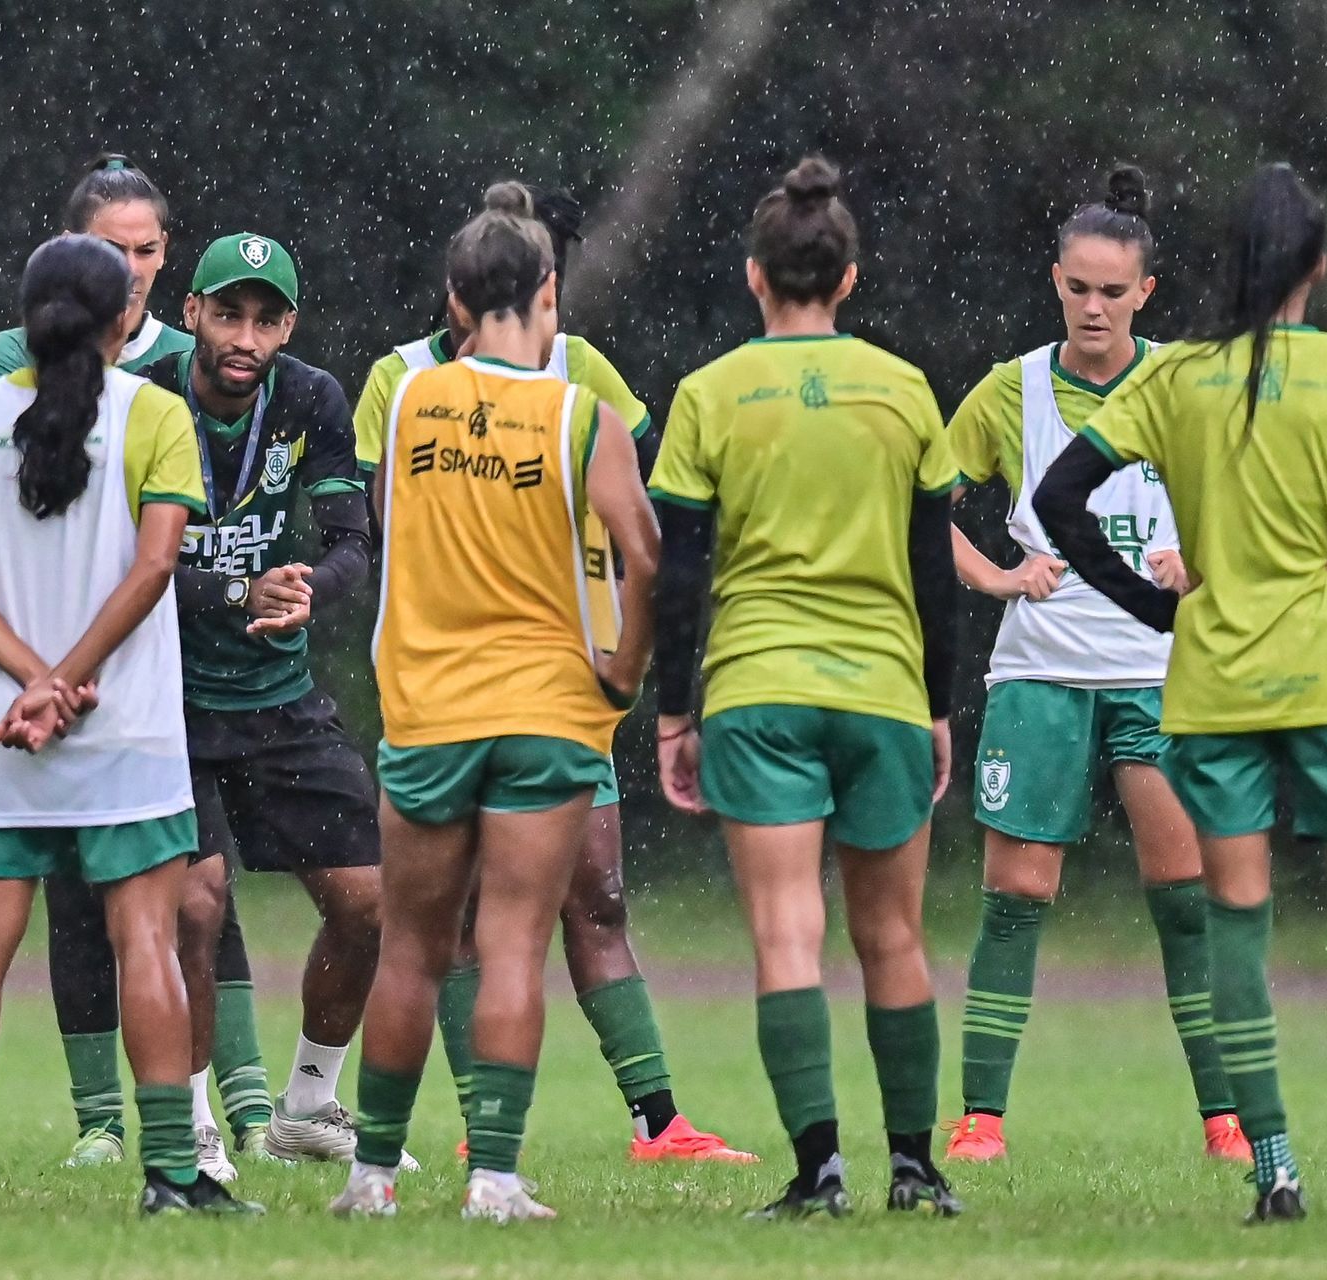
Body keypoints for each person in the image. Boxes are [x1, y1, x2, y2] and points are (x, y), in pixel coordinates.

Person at [1032, 162, 1327, 1225]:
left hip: (1216, 693)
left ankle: (1276, 1175)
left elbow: (1059, 497)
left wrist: (1158, 610)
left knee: (1236, 929)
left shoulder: (1178, 380)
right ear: (1319, 264)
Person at [353, 185, 748, 1164]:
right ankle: (480, 1140)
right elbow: (382, 528)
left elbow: (654, 490)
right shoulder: (396, 383)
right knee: (464, 934)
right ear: (543, 287)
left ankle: (656, 1119)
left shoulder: (579, 380)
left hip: (536, 692)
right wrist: (639, 664)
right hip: (511, 690)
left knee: (592, 896)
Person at [330, 182, 659, 1221]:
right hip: (546, 711)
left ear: (456, 299)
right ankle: (496, 1179)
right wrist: (624, 670)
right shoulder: (581, 416)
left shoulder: (410, 398)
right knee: (516, 940)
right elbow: (646, 551)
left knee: (412, 948)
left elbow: (386, 526)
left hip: (429, 710)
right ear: (548, 293)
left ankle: (372, 1175)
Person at [649, 157, 963, 1220]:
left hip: (759, 687)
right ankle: (916, 1169)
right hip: (882, 687)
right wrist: (937, 706)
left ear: (754, 277)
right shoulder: (906, 390)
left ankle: (819, 1171)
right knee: (896, 938)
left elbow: (680, 572)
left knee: (789, 933)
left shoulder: (710, 394)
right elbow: (935, 571)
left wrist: (674, 713)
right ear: (850, 277)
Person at [0, 234, 256, 1216]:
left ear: (28, 317)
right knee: (145, 938)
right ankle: (169, 1174)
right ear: (123, 321)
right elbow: (154, 568)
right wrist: (69, 678)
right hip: (126, 724)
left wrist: (28, 680)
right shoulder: (154, 412)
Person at [941, 166, 1248, 1165]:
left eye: (1115, 291)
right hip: (1041, 673)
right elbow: (922, 509)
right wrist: (997, 574)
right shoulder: (1013, 389)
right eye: (1079, 286)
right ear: (1056, 281)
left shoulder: (1186, 386)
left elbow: (1250, 516)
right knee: (1017, 892)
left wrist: (1196, 563)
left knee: (1187, 891)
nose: (1095, 306)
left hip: (1161, 673)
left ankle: (1225, 1119)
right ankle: (980, 1118)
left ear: (1146, 293)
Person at [127, 231, 409, 1168]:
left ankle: (306, 1109)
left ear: (288, 325)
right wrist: (231, 591)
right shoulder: (144, 400)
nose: (245, 336)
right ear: (192, 313)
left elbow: (351, 545)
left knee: (370, 902)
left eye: (266, 318)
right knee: (198, 908)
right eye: (228, 314)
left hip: (278, 701)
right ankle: (197, 1127)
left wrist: (305, 593)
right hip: (167, 700)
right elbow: (116, 570)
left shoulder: (312, 398)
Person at [0, 154, 194, 384]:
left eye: (146, 251)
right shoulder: (15, 353)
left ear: (163, 250)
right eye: (111, 251)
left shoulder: (190, 357)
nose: (131, 269)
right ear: (70, 248)